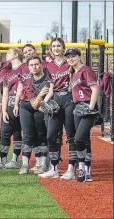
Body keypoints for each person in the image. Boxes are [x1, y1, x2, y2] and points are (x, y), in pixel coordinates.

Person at [38, 38, 77, 179]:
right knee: (51, 135)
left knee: (71, 136)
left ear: (63, 47)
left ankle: (71, 169)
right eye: (53, 46)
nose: (56, 48)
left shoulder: (70, 62)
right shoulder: (49, 66)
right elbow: (51, 88)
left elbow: (75, 83)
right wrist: (44, 102)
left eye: (58, 46)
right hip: (55, 101)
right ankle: (54, 168)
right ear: (50, 49)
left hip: (69, 99)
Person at [67, 48, 99, 182]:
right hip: (77, 107)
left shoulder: (86, 70)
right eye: (68, 57)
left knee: (78, 138)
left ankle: (84, 168)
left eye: (73, 56)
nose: (71, 59)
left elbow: (95, 88)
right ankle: (85, 169)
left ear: (79, 57)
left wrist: (91, 107)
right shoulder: (73, 73)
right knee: (84, 139)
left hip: (87, 106)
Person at [15, 56, 51, 175]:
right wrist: (40, 95)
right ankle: (25, 164)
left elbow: (40, 103)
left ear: (41, 65)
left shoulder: (47, 80)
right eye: (31, 65)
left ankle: (41, 164)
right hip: (27, 105)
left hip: (41, 108)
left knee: (42, 135)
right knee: (28, 135)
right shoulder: (27, 81)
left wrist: (41, 97)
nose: (34, 67)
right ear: (28, 67)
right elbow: (34, 104)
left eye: (36, 64)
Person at [1, 48, 28, 169]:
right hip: (11, 103)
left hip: (25, 103)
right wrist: (4, 110)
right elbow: (5, 93)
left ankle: (16, 160)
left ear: (16, 54)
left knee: (20, 133)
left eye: (9, 53)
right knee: (5, 132)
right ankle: (2, 159)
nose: (6, 55)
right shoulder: (8, 72)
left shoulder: (26, 67)